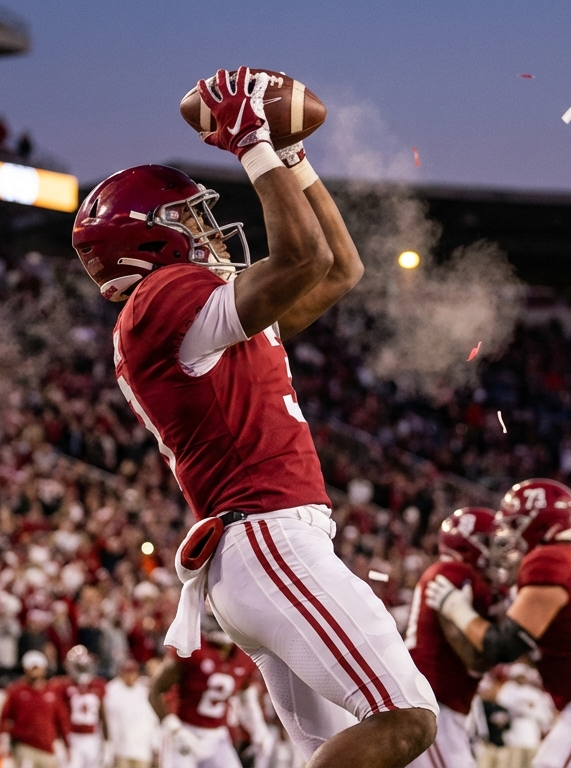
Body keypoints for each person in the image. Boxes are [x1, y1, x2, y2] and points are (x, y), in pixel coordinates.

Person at [71, 65, 435, 768]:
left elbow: (335, 270)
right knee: (406, 718)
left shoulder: (185, 313)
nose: (206, 231)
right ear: (145, 243)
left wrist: (291, 157)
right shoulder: (160, 302)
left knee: (352, 750)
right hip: (268, 537)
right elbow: (299, 258)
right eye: (186, 219)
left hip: (260, 552)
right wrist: (252, 145)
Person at [424, 479, 571, 768]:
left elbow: (503, 646)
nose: (507, 535)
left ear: (540, 523)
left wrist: (457, 610)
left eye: (515, 524)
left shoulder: (548, 559)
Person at [403, 508, 506, 768]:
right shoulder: (454, 573)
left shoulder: (470, 578)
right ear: (468, 543)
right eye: (490, 543)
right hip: (432, 704)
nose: (498, 552)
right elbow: (475, 659)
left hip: (444, 706)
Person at [148, 616, 256, 768]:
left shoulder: (244, 656)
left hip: (217, 735)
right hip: (186, 730)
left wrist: (258, 730)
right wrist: (174, 729)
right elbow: (155, 690)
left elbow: (246, 695)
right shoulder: (194, 647)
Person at [0, 650, 68, 768]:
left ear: (44, 669)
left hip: (47, 748)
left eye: (38, 667)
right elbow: (4, 717)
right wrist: (1, 740)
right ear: (25, 669)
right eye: (32, 667)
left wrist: (67, 743)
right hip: (25, 746)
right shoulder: (16, 691)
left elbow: (61, 719)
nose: (36, 671)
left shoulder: (52, 692)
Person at [51, 647, 107, 768]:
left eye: (85, 665)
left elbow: (104, 714)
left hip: (93, 736)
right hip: (73, 736)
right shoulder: (63, 686)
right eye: (79, 666)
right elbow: (57, 715)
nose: (82, 669)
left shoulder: (99, 685)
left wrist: (107, 741)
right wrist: (60, 739)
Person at [494, 665, 553, 768]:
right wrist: (520, 708)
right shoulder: (507, 690)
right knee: (513, 760)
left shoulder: (535, 693)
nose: (522, 679)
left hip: (531, 729)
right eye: (519, 676)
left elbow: (545, 714)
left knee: (530, 760)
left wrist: (530, 711)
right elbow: (502, 709)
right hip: (514, 728)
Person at [103, 660, 156, 768]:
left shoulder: (143, 690)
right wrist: (108, 745)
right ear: (121, 674)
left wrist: (154, 744)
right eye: (127, 673)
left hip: (142, 750)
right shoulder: (112, 690)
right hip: (121, 749)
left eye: (133, 673)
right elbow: (107, 719)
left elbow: (150, 720)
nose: (130, 676)